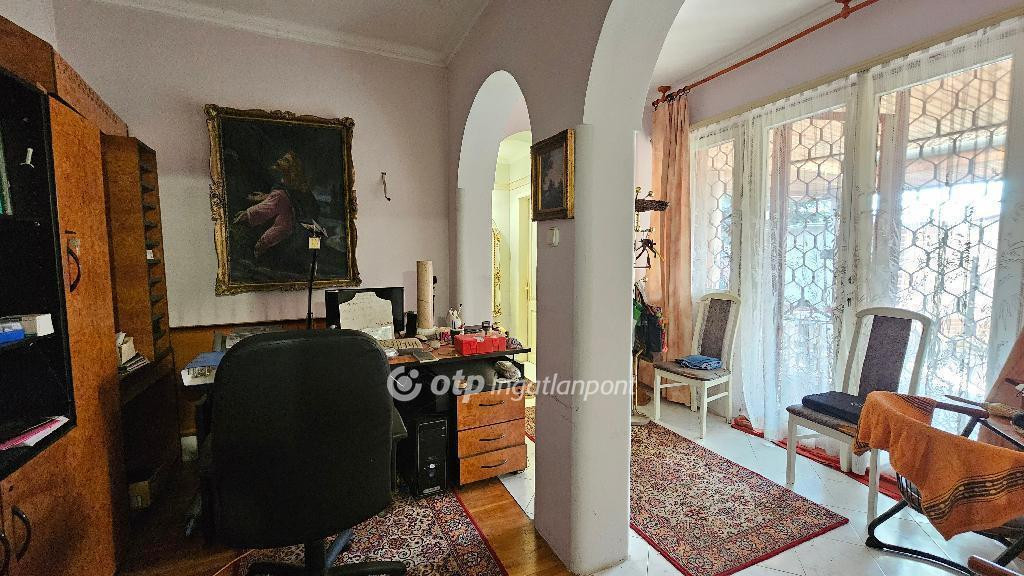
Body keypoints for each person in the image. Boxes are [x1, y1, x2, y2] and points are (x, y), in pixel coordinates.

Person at [233, 151, 318, 262]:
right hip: (304, 228)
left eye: (286, 160)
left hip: (299, 229)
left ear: (292, 168)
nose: (280, 161)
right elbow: (286, 199)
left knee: (263, 245)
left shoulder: (284, 191)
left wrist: (246, 214)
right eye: (283, 158)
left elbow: (267, 208)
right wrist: (267, 197)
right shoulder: (290, 184)